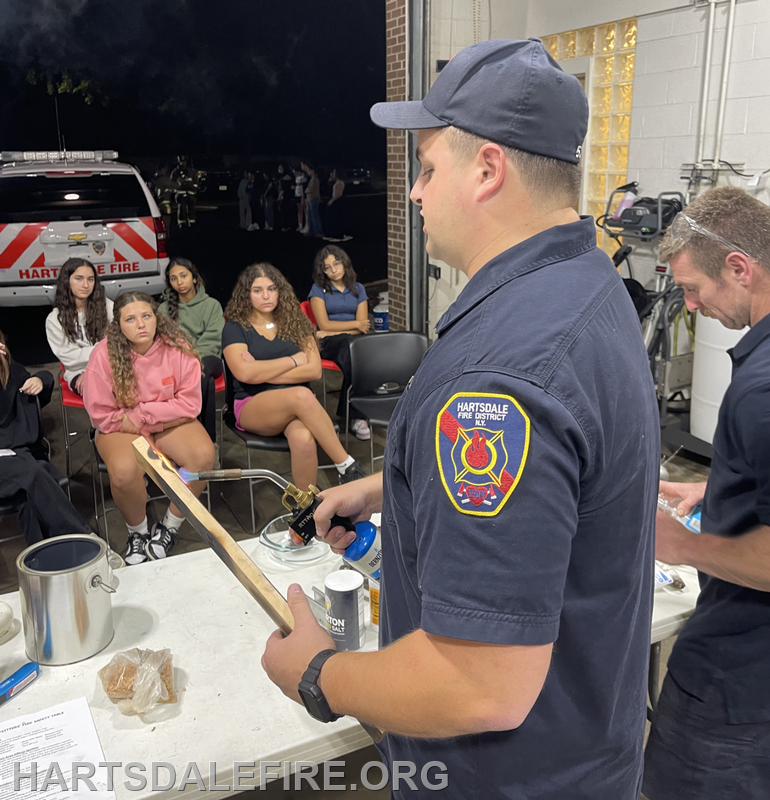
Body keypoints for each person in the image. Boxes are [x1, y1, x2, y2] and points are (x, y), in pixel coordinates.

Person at [261, 39, 659, 800]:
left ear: (488, 171)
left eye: (428, 168)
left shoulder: (500, 374)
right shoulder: (585, 284)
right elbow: (562, 476)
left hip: (503, 778)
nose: (414, 191)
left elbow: (481, 683)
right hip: (585, 754)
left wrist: (317, 672)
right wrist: (392, 486)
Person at [642, 187, 770, 800]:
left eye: (693, 289)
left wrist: (681, 546)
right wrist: (718, 491)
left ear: (739, 267)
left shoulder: (761, 391)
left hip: (740, 677)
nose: (690, 306)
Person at [83, 291, 215, 565]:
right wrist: (145, 429)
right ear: (118, 324)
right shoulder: (102, 354)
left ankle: (170, 525)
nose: (140, 324)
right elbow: (101, 414)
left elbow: (190, 404)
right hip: (121, 427)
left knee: (203, 456)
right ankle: (138, 532)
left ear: (157, 318)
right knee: (124, 470)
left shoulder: (178, 347)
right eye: (130, 319)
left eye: (146, 316)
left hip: (155, 421)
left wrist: (144, 415)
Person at [221, 262, 366, 490]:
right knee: (302, 394)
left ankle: (305, 509)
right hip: (253, 405)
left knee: (304, 439)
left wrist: (262, 371)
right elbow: (244, 374)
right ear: (246, 294)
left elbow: (314, 370)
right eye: (257, 291)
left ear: (280, 291)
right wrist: (293, 360)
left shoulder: (297, 322)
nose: (266, 296)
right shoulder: (235, 328)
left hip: (299, 406)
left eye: (271, 289)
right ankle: (346, 466)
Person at [0, 330, 92, 545]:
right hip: (14, 461)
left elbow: (44, 379)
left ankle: (43, 562)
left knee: (30, 499)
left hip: (16, 455)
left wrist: (39, 380)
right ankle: (82, 539)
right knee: (36, 473)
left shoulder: (10, 370)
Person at [157, 258, 225, 443]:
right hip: (177, 362)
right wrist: (183, 358)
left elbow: (214, 337)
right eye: (173, 278)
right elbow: (164, 340)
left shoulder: (212, 305)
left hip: (208, 357)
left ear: (194, 278)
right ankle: (209, 440)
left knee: (201, 372)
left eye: (183, 276)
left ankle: (191, 423)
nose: (179, 282)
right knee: (207, 382)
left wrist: (192, 357)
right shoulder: (164, 308)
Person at [307, 245, 371, 439]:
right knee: (353, 351)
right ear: (322, 271)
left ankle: (354, 413)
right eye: (327, 267)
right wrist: (353, 326)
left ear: (344, 263)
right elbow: (323, 323)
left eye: (336, 264)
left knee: (359, 351)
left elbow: (364, 326)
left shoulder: (358, 288)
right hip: (329, 344)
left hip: (350, 340)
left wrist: (336, 329)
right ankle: (356, 417)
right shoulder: (318, 289)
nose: (333, 270)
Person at [46, 257, 114, 395]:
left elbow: (119, 343)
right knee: (99, 389)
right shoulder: (54, 319)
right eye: (79, 278)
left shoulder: (107, 306)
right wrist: (91, 370)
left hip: (112, 366)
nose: (86, 285)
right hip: (77, 371)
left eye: (90, 279)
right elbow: (68, 357)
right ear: (67, 281)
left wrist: (101, 364)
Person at [323, 168, 347, 241]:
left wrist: (332, 200)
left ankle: (338, 234)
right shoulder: (335, 182)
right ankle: (331, 233)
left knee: (337, 218)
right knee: (331, 217)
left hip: (337, 201)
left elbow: (339, 194)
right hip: (334, 201)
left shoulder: (340, 182)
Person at [301, 161, 322, 237]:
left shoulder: (315, 179)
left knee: (314, 215)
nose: (308, 172)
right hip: (310, 199)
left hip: (314, 198)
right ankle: (312, 231)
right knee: (310, 216)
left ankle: (318, 231)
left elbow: (310, 189)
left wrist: (307, 190)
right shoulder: (311, 179)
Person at [294, 166, 308, 233]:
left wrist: (303, 196)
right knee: (299, 210)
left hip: (302, 195)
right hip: (297, 195)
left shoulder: (304, 177)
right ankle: (300, 225)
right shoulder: (296, 178)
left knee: (304, 210)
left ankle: (306, 225)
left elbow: (303, 187)